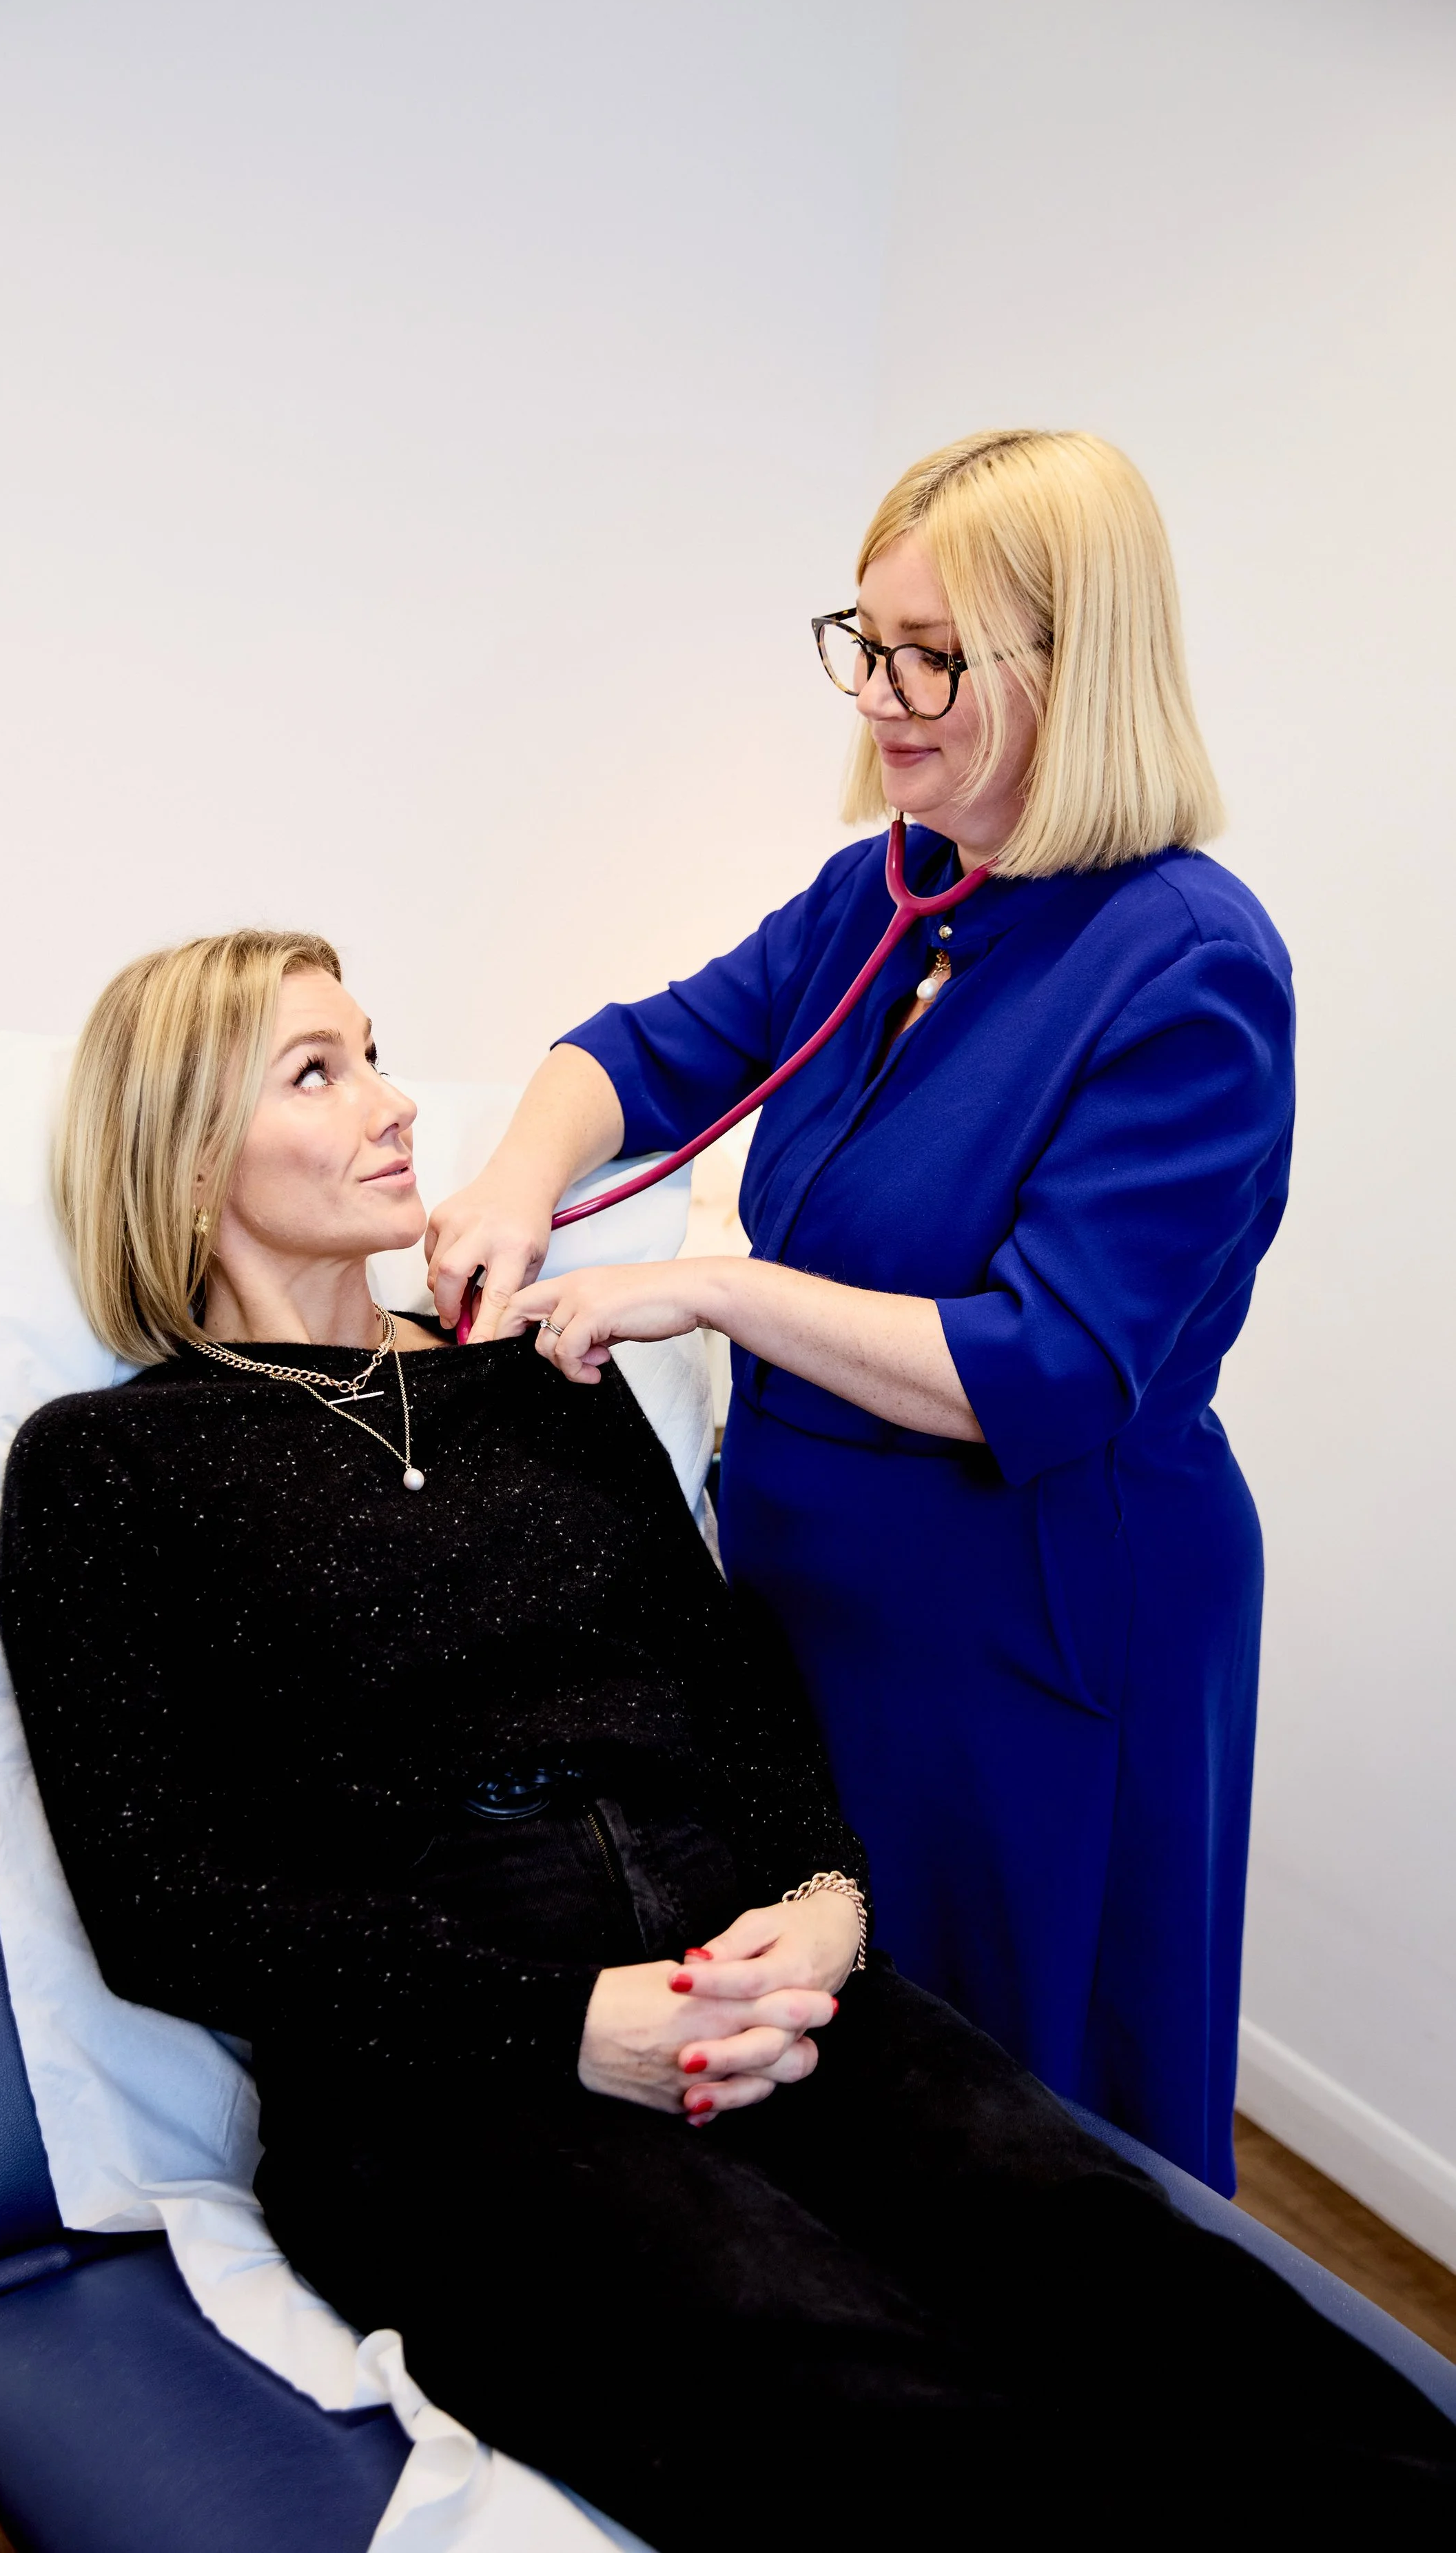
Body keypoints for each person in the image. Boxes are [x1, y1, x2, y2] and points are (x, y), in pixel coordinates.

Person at [0, 929, 1449, 2549]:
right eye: (317, 1073)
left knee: (1126, 2269)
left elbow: (729, 1681)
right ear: (189, 1155)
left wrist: (827, 1899)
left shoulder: (540, 1378)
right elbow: (163, 1902)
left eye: (375, 1050)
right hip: (443, 2073)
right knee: (858, 2396)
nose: (396, 1106)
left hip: (751, 1956)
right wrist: (566, 2021)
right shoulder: (106, 1469)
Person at [426, 427, 1293, 2191]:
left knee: (1032, 2088)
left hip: (1039, 1626)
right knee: (858, 2071)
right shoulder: (888, 894)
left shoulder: (1188, 964)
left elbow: (1036, 1367)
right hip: (817, 1606)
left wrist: (714, 1289)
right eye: (864, 639)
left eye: (931, 656)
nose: (880, 697)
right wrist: (511, 1187)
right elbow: (646, 1048)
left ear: (1077, 662)